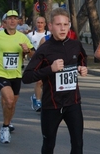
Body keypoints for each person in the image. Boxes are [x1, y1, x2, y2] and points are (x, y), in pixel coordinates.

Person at [22, 8, 88, 154]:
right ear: (50, 26)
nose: (62, 28)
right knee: (48, 145)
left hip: (73, 103)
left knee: (78, 144)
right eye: (58, 25)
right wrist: (50, 69)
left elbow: (83, 60)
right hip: (51, 105)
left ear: (69, 25)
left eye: (65, 24)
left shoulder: (75, 45)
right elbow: (26, 77)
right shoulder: (44, 49)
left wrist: (82, 68)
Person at [0, 10, 35, 144]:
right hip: (1, 72)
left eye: (15, 18)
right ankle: (5, 128)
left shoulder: (22, 37)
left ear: (18, 22)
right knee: (9, 101)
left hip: (16, 74)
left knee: (12, 103)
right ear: (4, 22)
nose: (12, 21)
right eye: (10, 18)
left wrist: (27, 51)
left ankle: (8, 121)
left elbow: (33, 55)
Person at [27, 16, 51, 112]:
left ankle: (38, 97)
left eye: (42, 22)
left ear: (45, 24)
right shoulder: (30, 35)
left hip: (48, 61)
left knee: (47, 82)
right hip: (36, 62)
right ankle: (37, 101)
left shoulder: (49, 35)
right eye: (38, 22)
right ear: (35, 23)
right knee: (39, 81)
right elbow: (28, 49)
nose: (40, 24)